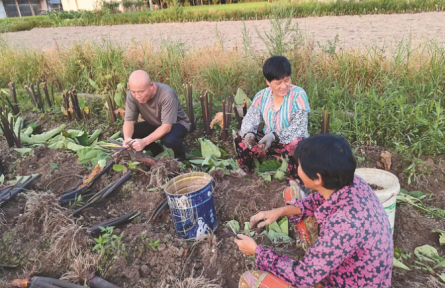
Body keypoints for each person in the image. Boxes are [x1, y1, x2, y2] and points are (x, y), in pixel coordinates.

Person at [234, 134, 393, 288]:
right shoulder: (353, 182)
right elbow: (314, 202)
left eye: (300, 165)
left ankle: (316, 263)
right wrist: (278, 212)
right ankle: (317, 259)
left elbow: (302, 277)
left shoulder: (345, 224)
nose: (297, 168)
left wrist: (257, 251)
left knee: (250, 280)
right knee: (292, 194)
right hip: (349, 265)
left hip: (343, 282)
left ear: (317, 178)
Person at [235, 56, 310, 179]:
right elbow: (250, 119)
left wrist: (274, 136)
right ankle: (247, 169)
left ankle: (295, 178)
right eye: (278, 82)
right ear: (268, 82)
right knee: (239, 136)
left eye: (287, 80)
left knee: (296, 144)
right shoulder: (262, 96)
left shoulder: (298, 95)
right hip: (267, 141)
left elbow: (299, 127)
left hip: (289, 140)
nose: (284, 86)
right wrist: (249, 134)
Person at [123, 70, 190, 161]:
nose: (137, 96)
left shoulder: (166, 94)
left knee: (169, 140)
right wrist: (127, 139)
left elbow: (166, 127)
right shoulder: (132, 95)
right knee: (129, 134)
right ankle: (156, 151)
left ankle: (182, 157)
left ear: (151, 86)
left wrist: (144, 142)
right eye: (134, 92)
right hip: (155, 123)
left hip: (176, 124)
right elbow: (129, 121)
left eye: (141, 92)